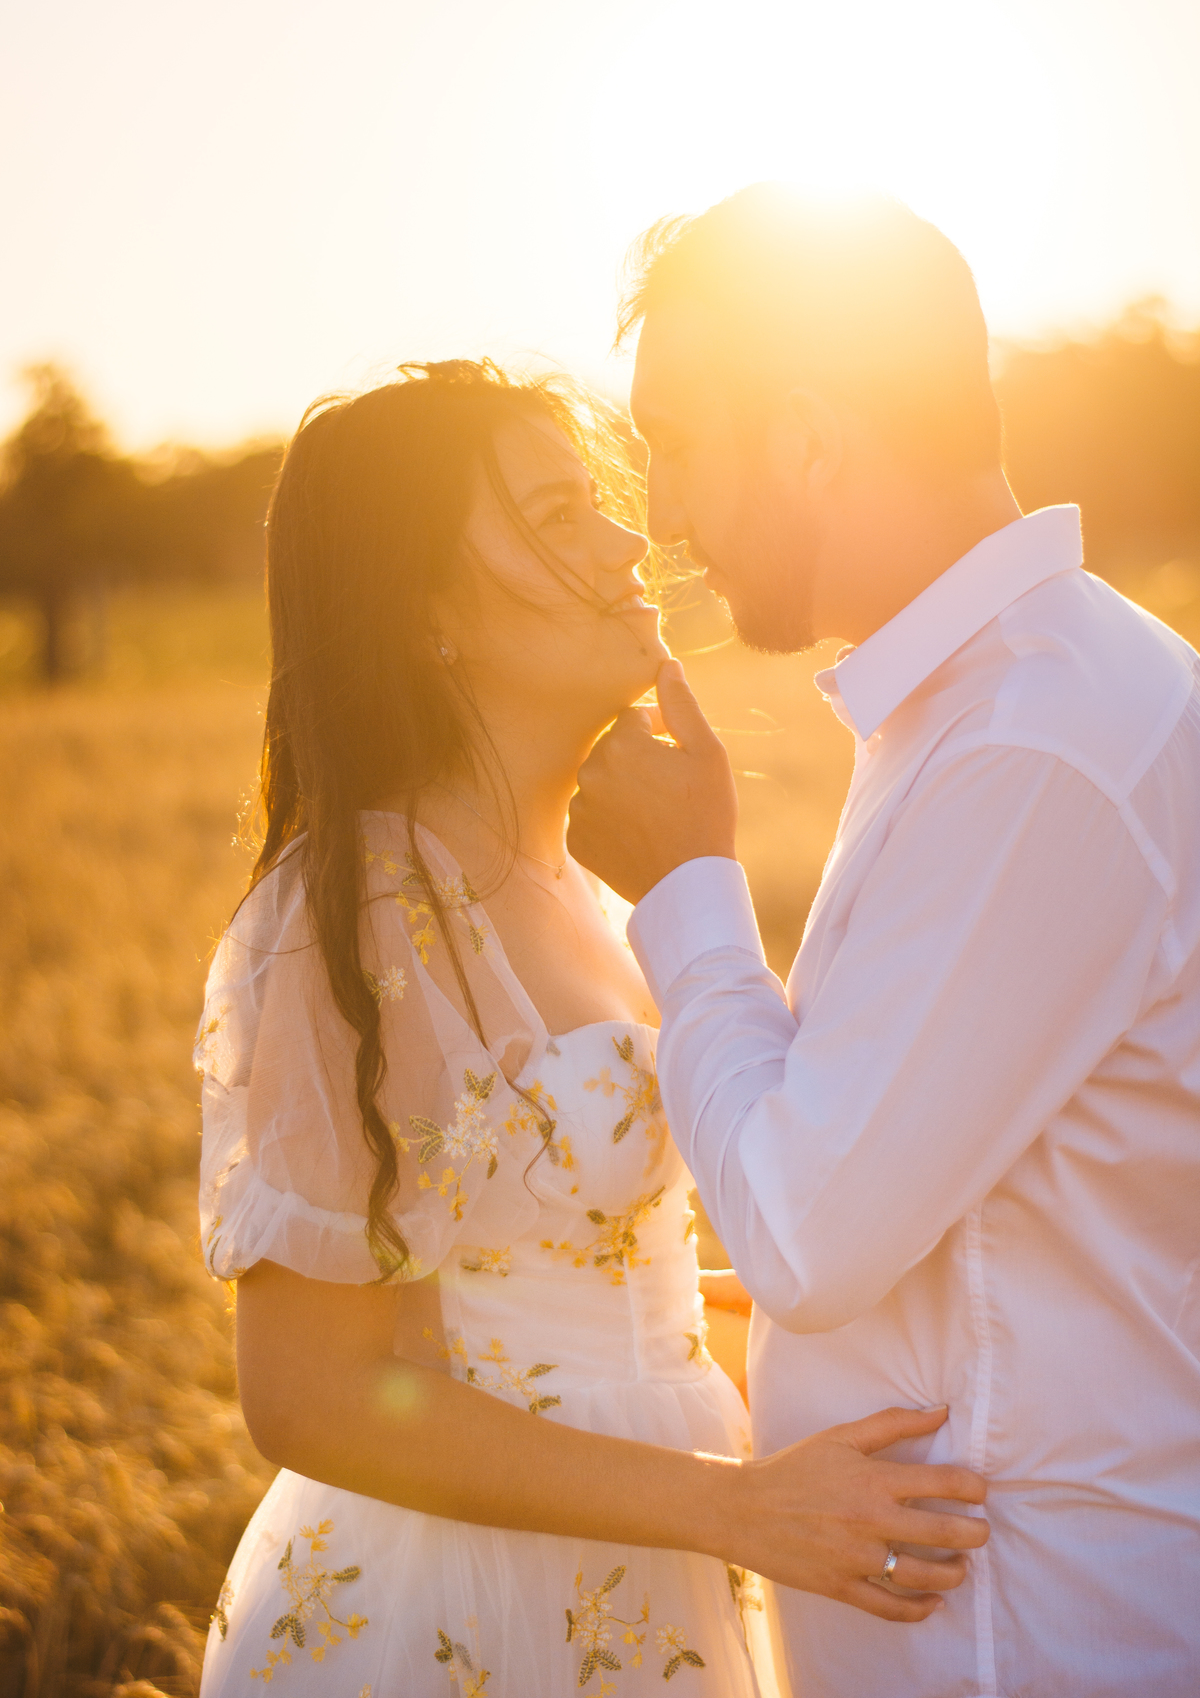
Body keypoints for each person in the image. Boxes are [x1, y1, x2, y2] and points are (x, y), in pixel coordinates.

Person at [194, 359, 987, 1698]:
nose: (633, 542)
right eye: (560, 519)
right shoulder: (344, 915)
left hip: (664, 1577)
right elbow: (310, 1393)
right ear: (426, 612)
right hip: (449, 1608)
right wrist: (735, 1509)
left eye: (602, 506)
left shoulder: (618, 891)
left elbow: (612, 1272)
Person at [567, 185, 1200, 1698]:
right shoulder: (993, 707)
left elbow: (810, 1236)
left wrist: (688, 889)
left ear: (804, 436)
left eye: (675, 442)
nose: (658, 513)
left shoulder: (1032, 743)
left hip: (1032, 1645)